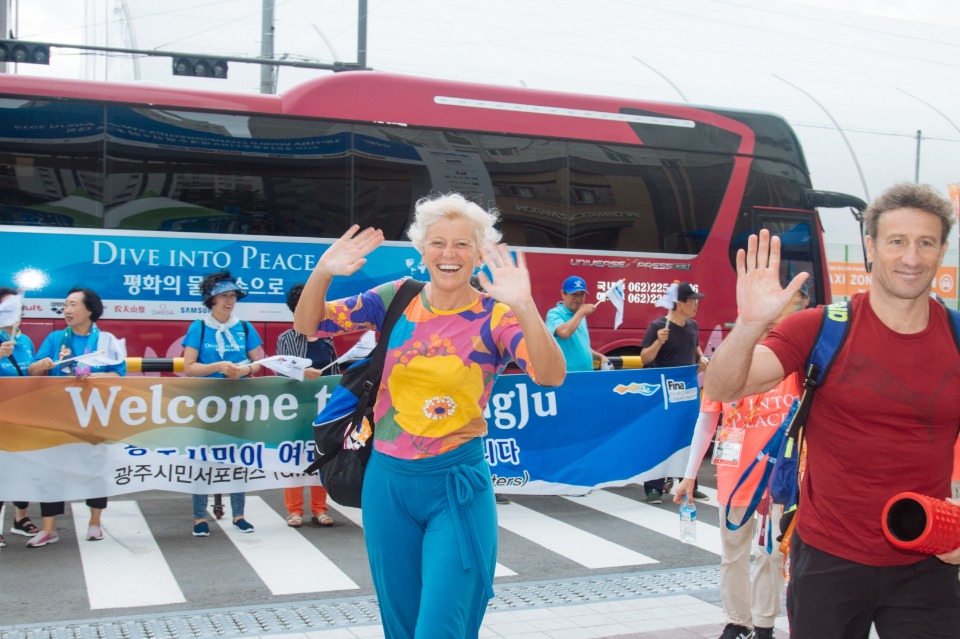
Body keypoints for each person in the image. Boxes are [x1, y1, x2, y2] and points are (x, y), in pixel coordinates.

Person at [293, 192, 566, 638]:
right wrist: (322, 271)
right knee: (400, 627)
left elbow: (551, 376)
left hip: (456, 486)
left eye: (462, 244)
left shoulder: (496, 317)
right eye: (438, 242)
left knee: (441, 628)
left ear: (479, 254)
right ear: (422, 251)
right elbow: (310, 325)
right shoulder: (395, 298)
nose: (449, 254)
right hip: (387, 486)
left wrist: (524, 305)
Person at [704, 183, 960, 638]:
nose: (912, 257)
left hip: (928, 562)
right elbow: (725, 385)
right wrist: (748, 325)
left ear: (942, 249)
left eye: (926, 242)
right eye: (897, 241)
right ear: (872, 246)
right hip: (828, 559)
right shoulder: (820, 328)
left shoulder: (957, 338)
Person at [673, 288, 806, 639]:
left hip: (778, 480)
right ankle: (737, 621)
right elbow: (706, 421)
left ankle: (763, 624)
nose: (765, 331)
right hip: (734, 478)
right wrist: (689, 477)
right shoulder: (726, 364)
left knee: (771, 556)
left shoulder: (790, 365)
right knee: (732, 556)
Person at [27, 287, 125, 548]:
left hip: (93, 414)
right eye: (65, 305)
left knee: (94, 467)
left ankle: (95, 523)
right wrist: (43, 365)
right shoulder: (56, 338)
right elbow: (32, 371)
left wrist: (93, 377)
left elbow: (118, 375)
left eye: (73, 305)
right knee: (51, 469)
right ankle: (49, 528)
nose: (67, 310)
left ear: (90, 310)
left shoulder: (107, 340)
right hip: (58, 415)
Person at [182, 271, 264, 537]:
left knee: (238, 458)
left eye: (233, 296)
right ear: (211, 299)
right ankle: (199, 517)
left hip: (237, 401)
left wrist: (245, 370)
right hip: (206, 402)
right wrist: (217, 366)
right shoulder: (199, 327)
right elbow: (189, 367)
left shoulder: (244, 327)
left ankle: (239, 514)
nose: (230, 301)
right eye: (224, 296)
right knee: (202, 460)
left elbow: (260, 362)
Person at [640, 281, 709, 503]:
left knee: (688, 438)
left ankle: (689, 482)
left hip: (687, 394)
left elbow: (695, 347)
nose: (696, 305)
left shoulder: (693, 326)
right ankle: (653, 487)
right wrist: (658, 342)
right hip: (663, 395)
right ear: (679, 303)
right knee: (660, 438)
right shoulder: (658, 326)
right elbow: (645, 358)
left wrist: (702, 358)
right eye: (692, 301)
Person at [277, 283, 335, 528]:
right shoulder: (286, 337)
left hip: (323, 406)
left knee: (320, 455)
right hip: (296, 408)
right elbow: (283, 373)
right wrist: (303, 372)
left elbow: (334, 370)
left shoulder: (327, 337)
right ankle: (294, 510)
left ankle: (320, 509)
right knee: (294, 458)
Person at [0, 287, 40, 546]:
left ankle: (21, 518)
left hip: (23, 415)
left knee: (23, 468)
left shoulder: (24, 341)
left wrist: (43, 366)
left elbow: (30, 376)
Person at [545, 275, 609, 372]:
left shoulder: (580, 316)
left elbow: (581, 347)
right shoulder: (554, 314)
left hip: (586, 374)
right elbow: (564, 333)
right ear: (563, 294)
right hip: (566, 376)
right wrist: (581, 313)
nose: (578, 298)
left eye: (581, 294)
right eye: (574, 294)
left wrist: (600, 356)